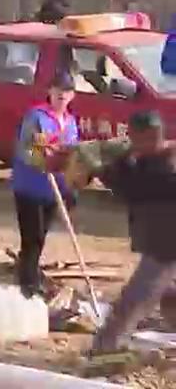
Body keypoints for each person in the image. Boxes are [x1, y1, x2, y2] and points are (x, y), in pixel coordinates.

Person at [86, 112, 176, 354]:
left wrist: (101, 168)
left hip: (166, 246)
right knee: (169, 296)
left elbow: (131, 187)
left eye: (134, 138)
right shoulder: (153, 157)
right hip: (162, 242)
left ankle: (104, 349)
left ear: (147, 137)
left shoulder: (165, 166)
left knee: (133, 299)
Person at [12, 69, 80, 297]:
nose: (62, 94)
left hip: (54, 190)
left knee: (41, 236)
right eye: (58, 89)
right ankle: (28, 284)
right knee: (32, 237)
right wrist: (43, 160)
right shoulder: (36, 116)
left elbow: (73, 155)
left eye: (67, 91)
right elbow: (24, 149)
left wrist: (72, 183)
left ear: (72, 95)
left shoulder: (71, 123)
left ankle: (28, 273)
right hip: (30, 186)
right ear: (50, 91)